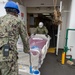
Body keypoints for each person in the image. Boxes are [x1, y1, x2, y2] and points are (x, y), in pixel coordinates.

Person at [0, 0, 30, 75]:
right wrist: (27, 50)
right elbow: (25, 38)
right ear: (16, 12)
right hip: (8, 55)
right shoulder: (18, 21)